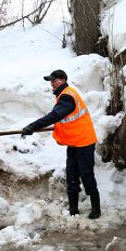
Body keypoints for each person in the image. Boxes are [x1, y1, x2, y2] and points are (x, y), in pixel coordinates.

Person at [22, 69, 101, 219]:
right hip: (74, 143)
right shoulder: (63, 95)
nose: (52, 84)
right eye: (50, 81)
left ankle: (96, 210)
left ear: (63, 80)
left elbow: (55, 115)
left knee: (86, 175)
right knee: (71, 175)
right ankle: (73, 210)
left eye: (54, 81)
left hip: (84, 142)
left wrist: (33, 126)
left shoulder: (67, 97)